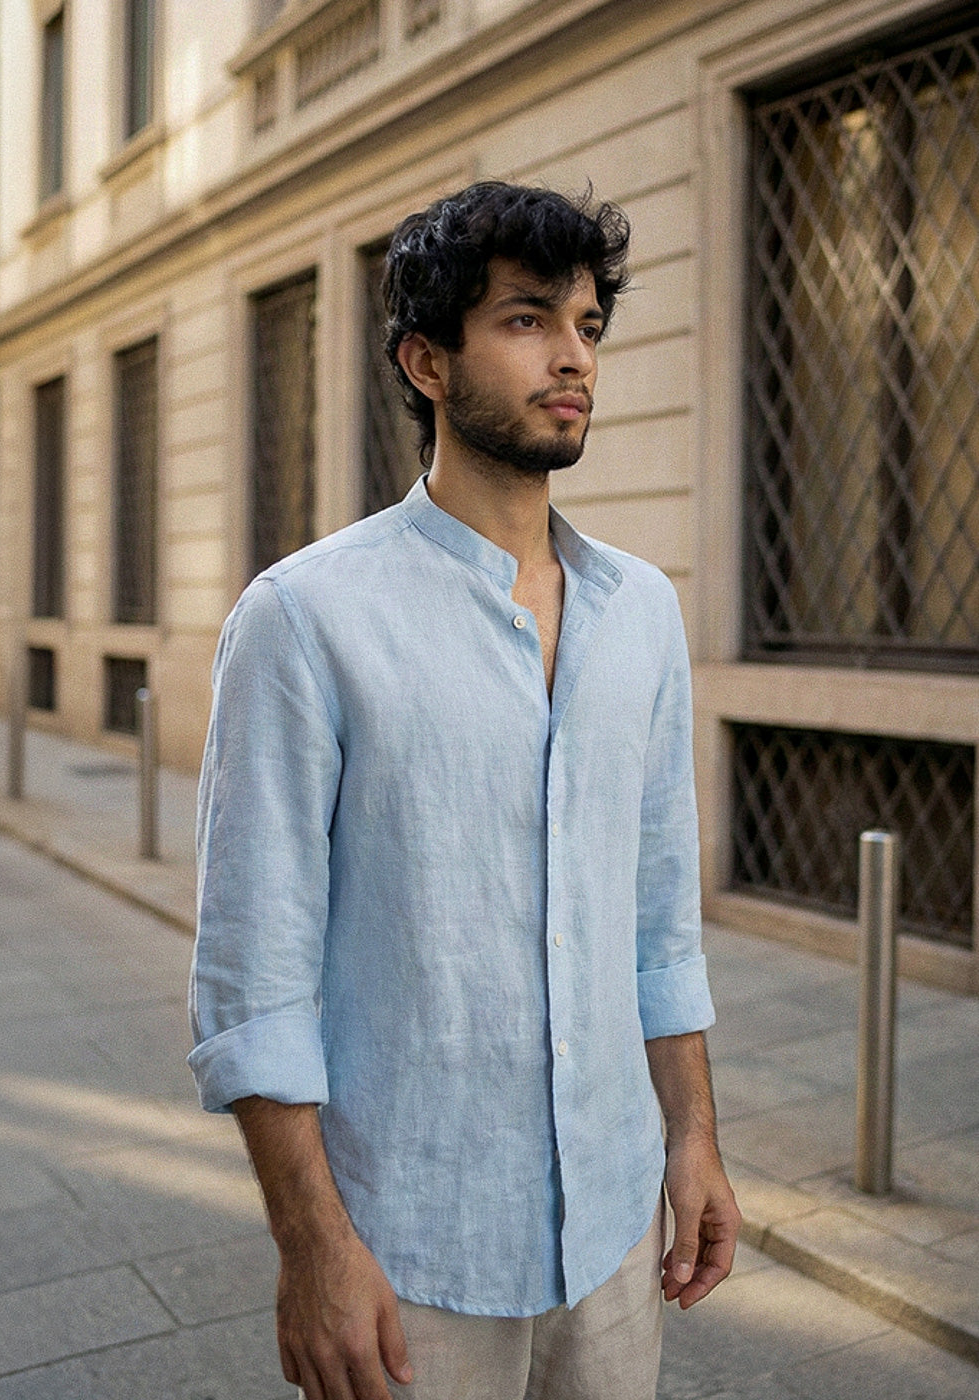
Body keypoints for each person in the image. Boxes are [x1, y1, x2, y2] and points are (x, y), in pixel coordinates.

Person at [188, 180, 740, 1400]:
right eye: (528, 319)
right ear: (427, 360)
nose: (572, 357)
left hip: (609, 1225)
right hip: (410, 1249)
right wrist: (313, 1246)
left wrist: (691, 1139)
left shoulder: (641, 612)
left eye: (588, 326)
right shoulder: (304, 620)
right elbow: (253, 976)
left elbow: (658, 918)